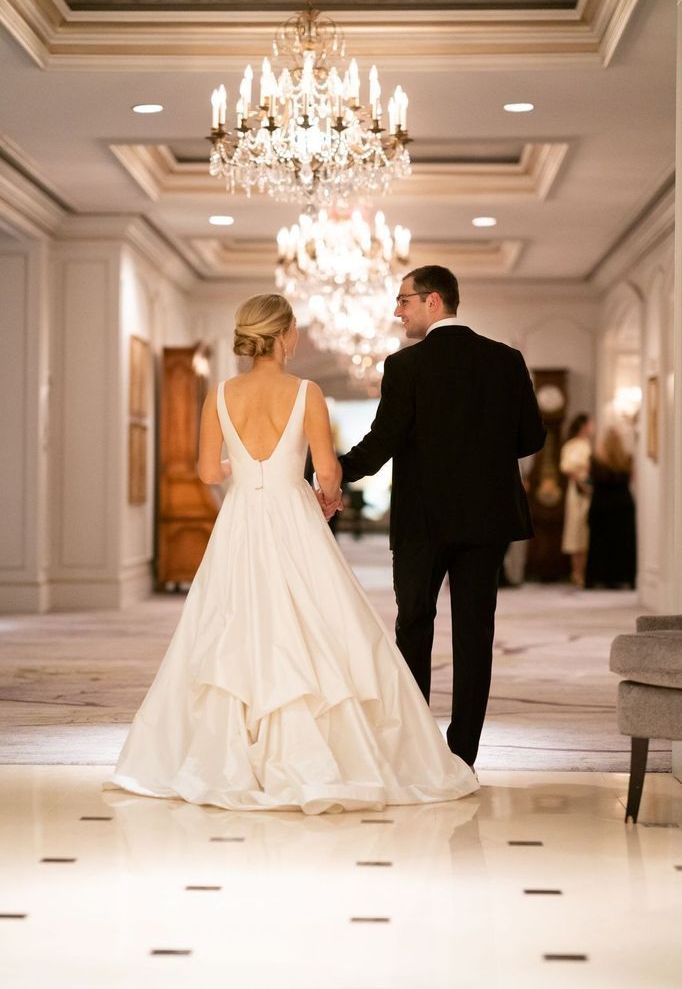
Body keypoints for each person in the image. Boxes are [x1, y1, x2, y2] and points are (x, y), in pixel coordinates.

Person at [104, 293, 477, 813]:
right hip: (293, 517)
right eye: (295, 328)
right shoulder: (306, 392)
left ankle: (223, 755)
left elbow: (209, 472)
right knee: (319, 624)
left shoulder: (219, 393)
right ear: (282, 336)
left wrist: (248, 469)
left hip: (241, 522)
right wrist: (327, 496)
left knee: (231, 625)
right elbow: (327, 470)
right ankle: (323, 753)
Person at [322, 266, 546, 770]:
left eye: (404, 301)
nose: (397, 311)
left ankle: (417, 751)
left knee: (414, 626)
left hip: (423, 521)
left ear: (434, 302)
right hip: (488, 520)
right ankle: (463, 754)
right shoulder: (506, 360)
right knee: (475, 635)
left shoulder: (407, 367)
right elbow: (532, 438)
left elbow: (382, 444)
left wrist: (331, 474)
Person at [584, 427, 636, 589]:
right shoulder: (627, 459)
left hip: (601, 504)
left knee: (599, 542)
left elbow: (589, 480)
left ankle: (596, 578)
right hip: (623, 504)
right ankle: (623, 577)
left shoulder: (595, 460)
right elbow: (632, 479)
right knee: (623, 543)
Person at [559, 413, 594, 587]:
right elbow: (566, 467)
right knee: (575, 529)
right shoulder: (572, 445)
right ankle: (577, 572)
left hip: (588, 489)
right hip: (578, 490)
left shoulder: (587, 444)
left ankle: (584, 571)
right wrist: (581, 482)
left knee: (585, 530)